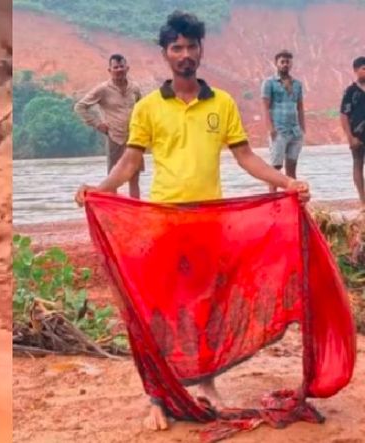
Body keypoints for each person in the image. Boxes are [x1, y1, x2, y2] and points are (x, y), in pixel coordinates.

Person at [73, 11, 310, 432]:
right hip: (163, 222)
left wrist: (287, 181)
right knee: (160, 312)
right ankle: (157, 398)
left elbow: (246, 157)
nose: (185, 54)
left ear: (201, 50)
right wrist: (99, 190)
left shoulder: (221, 103)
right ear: (165, 54)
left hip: (208, 222)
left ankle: (207, 386)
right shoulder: (147, 108)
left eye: (191, 46)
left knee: (206, 306)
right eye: (176, 48)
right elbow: (130, 162)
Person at [74, 54, 144, 198]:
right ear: (109, 70)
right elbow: (80, 107)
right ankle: (114, 212)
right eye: (115, 67)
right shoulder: (103, 89)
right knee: (113, 179)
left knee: (134, 178)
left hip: (134, 138)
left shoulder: (135, 88)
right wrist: (97, 124)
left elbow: (142, 108)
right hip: (115, 137)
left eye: (121, 66)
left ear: (127, 68)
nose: (119, 70)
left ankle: (135, 213)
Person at [262, 49, 306, 192]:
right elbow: (265, 107)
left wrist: (302, 128)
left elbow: (300, 107)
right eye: (282, 62)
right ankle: (273, 200)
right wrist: (270, 128)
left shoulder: (297, 84)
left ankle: (291, 200)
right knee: (275, 168)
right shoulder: (269, 83)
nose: (285, 64)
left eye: (288, 62)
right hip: (279, 130)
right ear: (276, 64)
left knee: (292, 167)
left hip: (295, 130)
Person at [340, 56, 365, 204]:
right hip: (358, 135)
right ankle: (363, 200)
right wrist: (350, 137)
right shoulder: (350, 91)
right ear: (356, 70)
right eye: (364, 69)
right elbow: (344, 115)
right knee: (358, 164)